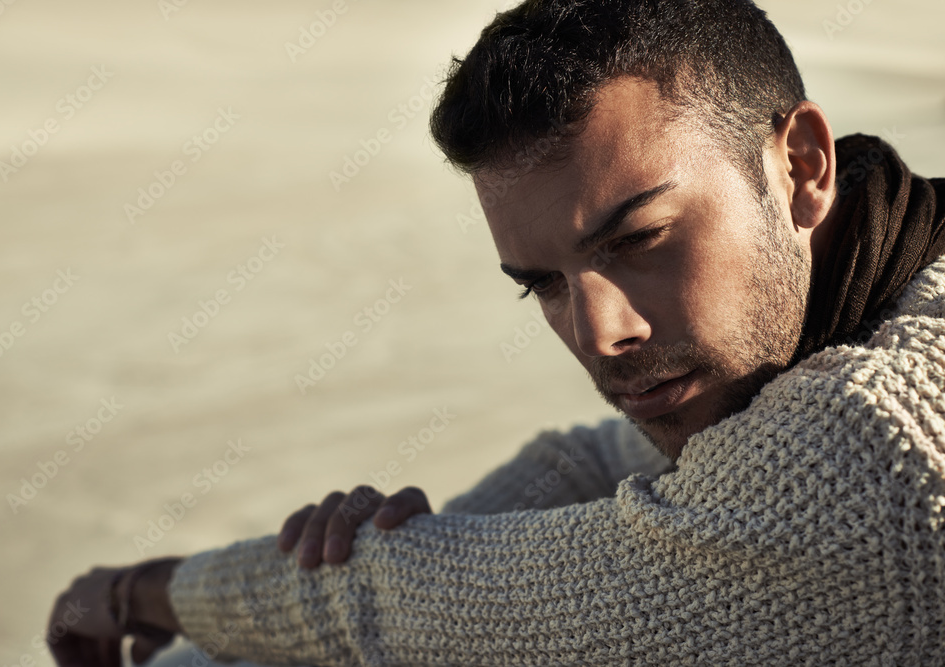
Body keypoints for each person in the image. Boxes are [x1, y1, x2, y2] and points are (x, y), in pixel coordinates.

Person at [48, 0, 945, 664]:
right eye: (543, 286)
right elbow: (594, 459)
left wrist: (141, 591)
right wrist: (402, 544)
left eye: (639, 239)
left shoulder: (874, 455)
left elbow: (414, 613)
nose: (600, 333)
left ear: (801, 167)